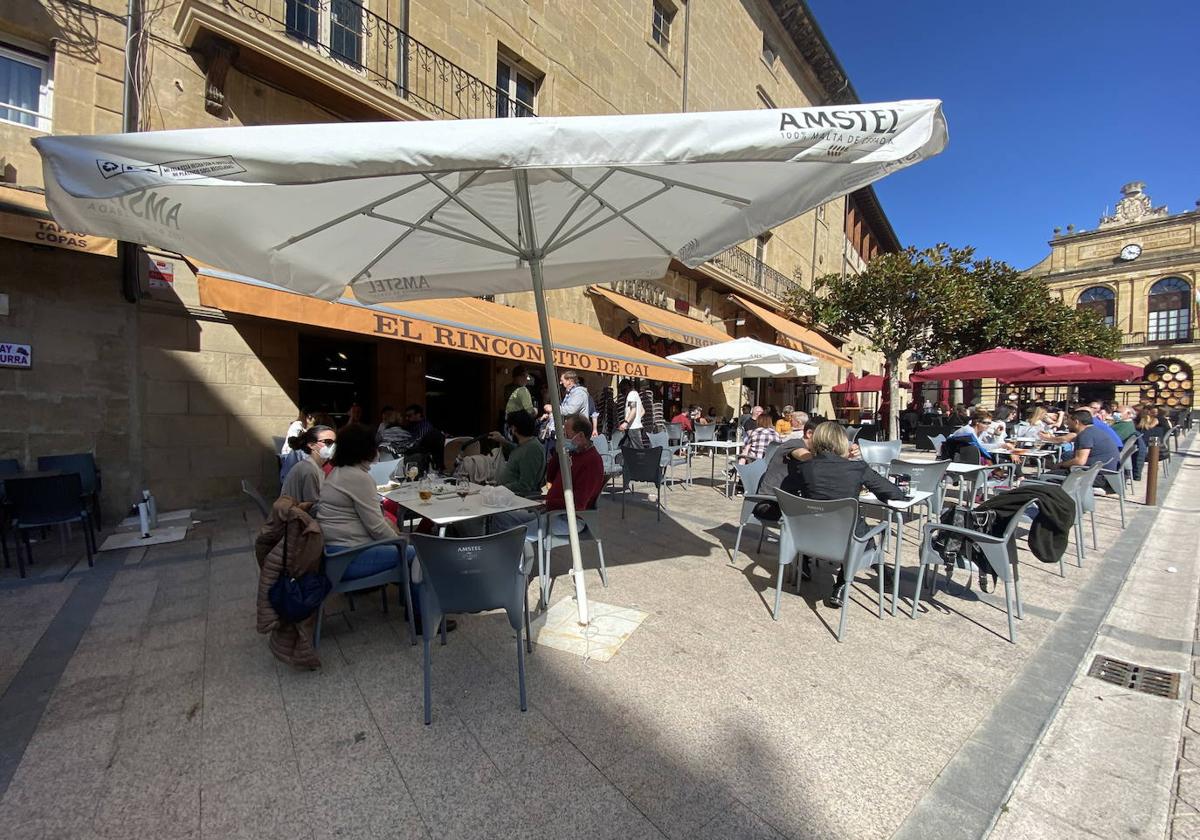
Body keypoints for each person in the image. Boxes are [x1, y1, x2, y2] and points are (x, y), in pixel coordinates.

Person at [781, 422, 905, 609]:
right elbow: (893, 493)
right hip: (846, 541)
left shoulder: (805, 468)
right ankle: (843, 583)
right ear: (842, 442)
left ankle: (807, 565)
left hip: (807, 537)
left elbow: (788, 492)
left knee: (851, 523)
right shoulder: (857, 468)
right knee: (860, 527)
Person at [490, 414, 605, 537]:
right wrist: (558, 454)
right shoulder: (573, 453)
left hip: (569, 518)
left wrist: (547, 504)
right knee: (500, 517)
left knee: (516, 533)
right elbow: (550, 477)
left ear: (581, 436)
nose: (563, 438)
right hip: (551, 510)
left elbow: (578, 503)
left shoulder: (592, 462)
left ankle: (515, 550)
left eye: (566, 435)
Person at [1048, 409, 1119, 485]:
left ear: (1076, 422)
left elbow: (1080, 461)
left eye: (1068, 423)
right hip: (1105, 473)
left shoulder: (1085, 435)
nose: (1067, 426)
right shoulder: (1094, 431)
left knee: (1047, 476)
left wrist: (1061, 464)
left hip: (1096, 476)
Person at [487, 410, 547, 497]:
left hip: (517, 500)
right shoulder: (526, 444)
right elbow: (519, 452)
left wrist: (499, 488)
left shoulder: (532, 450)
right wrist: (502, 440)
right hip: (509, 496)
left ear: (514, 429)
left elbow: (525, 485)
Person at [280, 425, 335, 503]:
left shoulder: (317, 467)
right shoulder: (308, 469)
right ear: (312, 445)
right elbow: (312, 506)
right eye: (328, 442)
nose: (333, 446)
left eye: (335, 443)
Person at [618, 378, 646, 448]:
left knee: (639, 451)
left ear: (626, 387)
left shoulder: (631, 395)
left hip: (633, 428)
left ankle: (645, 459)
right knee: (624, 448)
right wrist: (637, 420)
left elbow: (633, 410)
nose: (622, 392)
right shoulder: (636, 394)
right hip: (633, 427)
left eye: (622, 388)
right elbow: (642, 411)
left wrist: (626, 422)